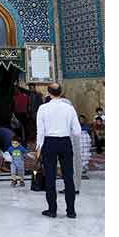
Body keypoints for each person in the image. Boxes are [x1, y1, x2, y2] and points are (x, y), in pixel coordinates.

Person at [36, 83, 81, 219]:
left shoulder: (43, 108)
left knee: (50, 177)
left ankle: (52, 210)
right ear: (61, 93)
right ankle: (71, 211)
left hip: (49, 143)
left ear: (48, 93)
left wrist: (39, 147)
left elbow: (40, 131)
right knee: (68, 177)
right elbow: (77, 131)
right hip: (65, 142)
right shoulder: (69, 108)